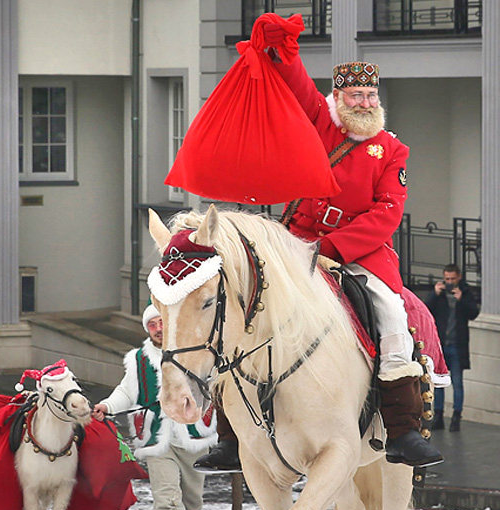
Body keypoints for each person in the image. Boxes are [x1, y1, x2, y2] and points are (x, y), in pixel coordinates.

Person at [194, 16, 443, 473]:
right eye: (355, 96)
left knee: (390, 312)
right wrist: (284, 47)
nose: (365, 103)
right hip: (296, 241)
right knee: (241, 311)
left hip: (359, 252)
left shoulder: (391, 150)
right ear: (339, 98)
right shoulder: (321, 124)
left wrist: (333, 248)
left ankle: (404, 431)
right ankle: (230, 435)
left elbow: (387, 213)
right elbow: (297, 84)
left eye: (371, 96)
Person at [92, 304, 217, 510]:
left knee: (192, 499)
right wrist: (107, 406)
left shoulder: (195, 351)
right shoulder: (139, 359)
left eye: (162, 322)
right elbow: (126, 391)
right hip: (156, 438)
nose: (159, 329)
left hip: (194, 436)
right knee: (166, 494)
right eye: (152, 325)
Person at [425, 264, 480, 431]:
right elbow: (426, 310)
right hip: (441, 345)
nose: (449, 282)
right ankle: (439, 416)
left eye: (452, 279)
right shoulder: (439, 293)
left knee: (457, 382)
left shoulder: (466, 293)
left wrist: (461, 299)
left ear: (459, 278)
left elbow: (473, 313)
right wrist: (434, 294)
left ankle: (456, 416)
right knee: (439, 382)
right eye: (446, 279)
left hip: (457, 345)